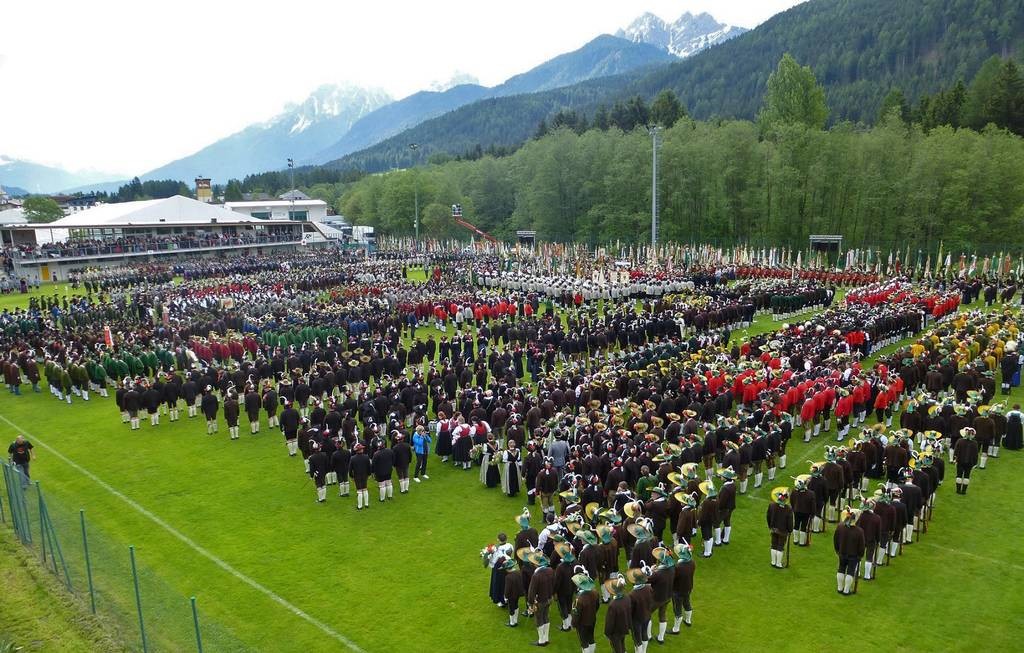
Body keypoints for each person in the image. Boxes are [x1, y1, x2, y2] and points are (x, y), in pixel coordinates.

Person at [833, 507, 864, 595]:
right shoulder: (859, 531)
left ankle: (840, 588)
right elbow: (861, 546)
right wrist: (860, 556)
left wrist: (837, 550)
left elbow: (835, 540)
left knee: (841, 569)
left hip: (842, 553)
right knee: (850, 572)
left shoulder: (840, 527)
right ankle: (846, 590)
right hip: (853, 555)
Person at [526, 550, 555, 647]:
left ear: (536, 564)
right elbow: (553, 584)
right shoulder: (550, 570)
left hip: (540, 601)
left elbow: (531, 591)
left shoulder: (536, 575)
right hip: (549, 598)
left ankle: (541, 641)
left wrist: (530, 603)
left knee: (539, 619)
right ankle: (546, 638)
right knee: (546, 617)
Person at [571, 568, 600, 653]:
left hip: (582, 623)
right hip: (592, 619)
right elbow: (597, 606)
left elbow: (576, 614)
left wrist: (573, 624)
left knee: (584, 642)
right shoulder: (595, 593)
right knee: (591, 637)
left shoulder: (579, 599)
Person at [669, 542, 695, 633]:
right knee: (687, 603)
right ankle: (688, 621)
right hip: (688, 587)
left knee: (677, 609)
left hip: (678, 590)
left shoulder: (678, 567)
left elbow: (673, 577)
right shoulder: (692, 562)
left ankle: (676, 629)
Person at [767, 486, 794, 569]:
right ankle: (778, 563)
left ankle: (773, 561)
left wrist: (770, 526)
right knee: (780, 546)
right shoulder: (788, 509)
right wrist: (790, 530)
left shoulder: (772, 505)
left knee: (773, 545)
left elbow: (768, 516)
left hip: (773, 529)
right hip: (783, 531)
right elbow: (790, 522)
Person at [603, 575, 631, 653]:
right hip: (624, 627)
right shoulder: (627, 598)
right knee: (622, 643)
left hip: (615, 631)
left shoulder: (613, 605)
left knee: (617, 649)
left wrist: (607, 633)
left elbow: (610, 622)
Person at [487, 532, 514, 606]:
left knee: (499, 584)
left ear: (498, 540)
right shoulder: (510, 545)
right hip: (509, 566)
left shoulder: (497, 549)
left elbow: (494, 561)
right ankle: (507, 597)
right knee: (507, 583)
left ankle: (501, 600)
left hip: (500, 569)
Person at [953, 426, 980, 494]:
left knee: (959, 475)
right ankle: (964, 491)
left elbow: (956, 451)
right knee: (967, 476)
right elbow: (976, 454)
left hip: (960, 461)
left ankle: (958, 490)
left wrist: (955, 459)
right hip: (970, 462)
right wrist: (975, 463)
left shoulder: (960, 441)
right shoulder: (975, 443)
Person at [503, 557, 525, 627]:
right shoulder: (518, 572)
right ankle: (515, 620)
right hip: (518, 593)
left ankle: (512, 622)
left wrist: (506, 596)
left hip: (511, 595)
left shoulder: (508, 577)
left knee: (511, 608)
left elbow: (507, 589)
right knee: (516, 605)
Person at [349, 443, 372, 510]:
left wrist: (351, 476)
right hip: (365, 475)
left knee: (359, 490)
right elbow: (369, 467)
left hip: (357, 476)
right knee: (365, 489)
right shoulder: (366, 457)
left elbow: (350, 469)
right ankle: (366, 504)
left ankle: (360, 506)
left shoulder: (352, 458)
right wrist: (369, 474)